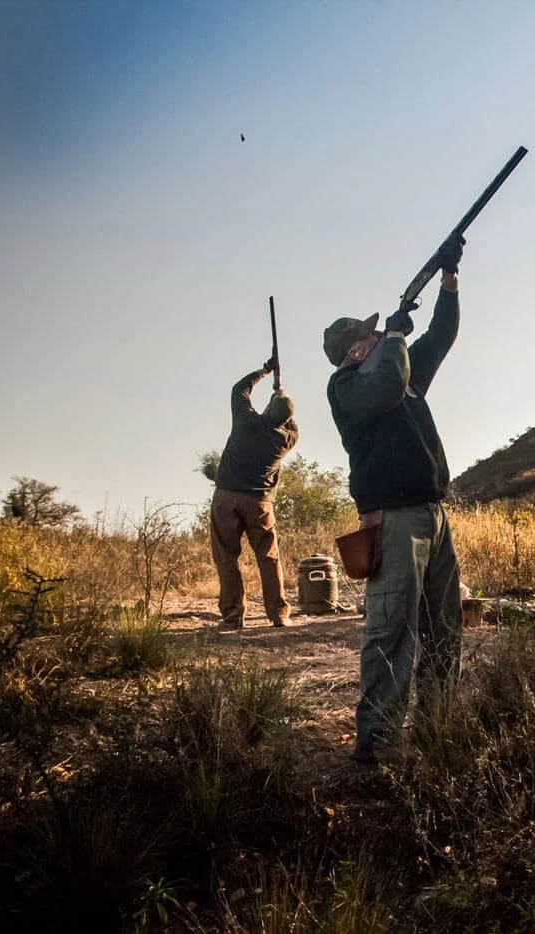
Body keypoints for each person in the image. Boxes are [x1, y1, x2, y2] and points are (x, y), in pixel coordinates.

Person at [324, 238, 465, 764]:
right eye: (371, 334)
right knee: (391, 633)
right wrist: (398, 337)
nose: (380, 333)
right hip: (395, 521)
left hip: (432, 515)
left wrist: (448, 281)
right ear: (356, 351)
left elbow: (441, 337)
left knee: (444, 628)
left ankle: (437, 728)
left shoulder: (398, 375)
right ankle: (378, 745)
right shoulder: (347, 387)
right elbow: (386, 382)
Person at [210, 358, 298, 631]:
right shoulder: (285, 440)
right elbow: (290, 423)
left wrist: (265, 372)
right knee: (268, 558)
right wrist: (281, 393)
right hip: (259, 503)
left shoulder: (245, 420)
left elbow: (240, 389)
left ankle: (233, 616)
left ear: (267, 408)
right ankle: (278, 615)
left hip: (226, 498)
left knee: (226, 557)